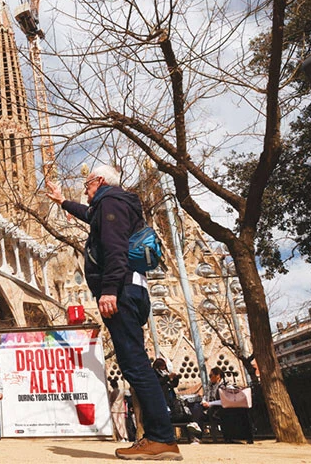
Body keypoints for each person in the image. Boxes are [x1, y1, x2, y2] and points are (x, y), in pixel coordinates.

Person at [46, 167, 182, 460]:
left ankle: (161, 438)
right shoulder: (115, 203)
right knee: (134, 362)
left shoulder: (111, 203)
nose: (84, 190)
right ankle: (158, 437)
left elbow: (115, 248)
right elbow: (92, 217)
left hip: (121, 291)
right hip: (132, 289)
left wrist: (108, 289)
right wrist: (62, 202)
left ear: (100, 181)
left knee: (135, 365)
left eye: (87, 184)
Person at [187, 367, 226, 443]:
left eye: (211, 375)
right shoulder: (209, 385)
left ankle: (197, 431)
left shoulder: (224, 386)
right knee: (195, 407)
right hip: (207, 408)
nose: (210, 377)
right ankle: (196, 429)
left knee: (205, 411)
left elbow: (224, 401)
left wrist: (210, 404)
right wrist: (204, 401)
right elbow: (205, 396)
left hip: (218, 409)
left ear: (218, 376)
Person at [109, 378, 129, 443]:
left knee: (118, 424)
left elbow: (111, 400)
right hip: (122, 408)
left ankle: (121, 437)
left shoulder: (113, 392)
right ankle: (125, 436)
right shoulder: (122, 391)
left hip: (115, 409)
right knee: (123, 423)